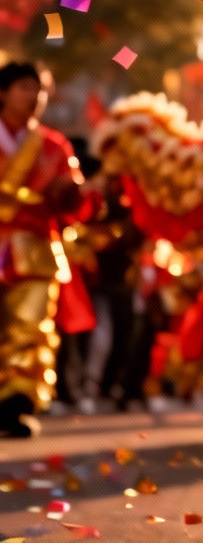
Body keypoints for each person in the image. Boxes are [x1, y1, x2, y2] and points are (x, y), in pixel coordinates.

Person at [0, 61, 94, 437]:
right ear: (3, 92)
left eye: (38, 90)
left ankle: (14, 404)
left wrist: (74, 193)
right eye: (24, 87)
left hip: (35, 249)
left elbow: (73, 202)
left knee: (28, 328)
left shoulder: (55, 146)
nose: (34, 97)